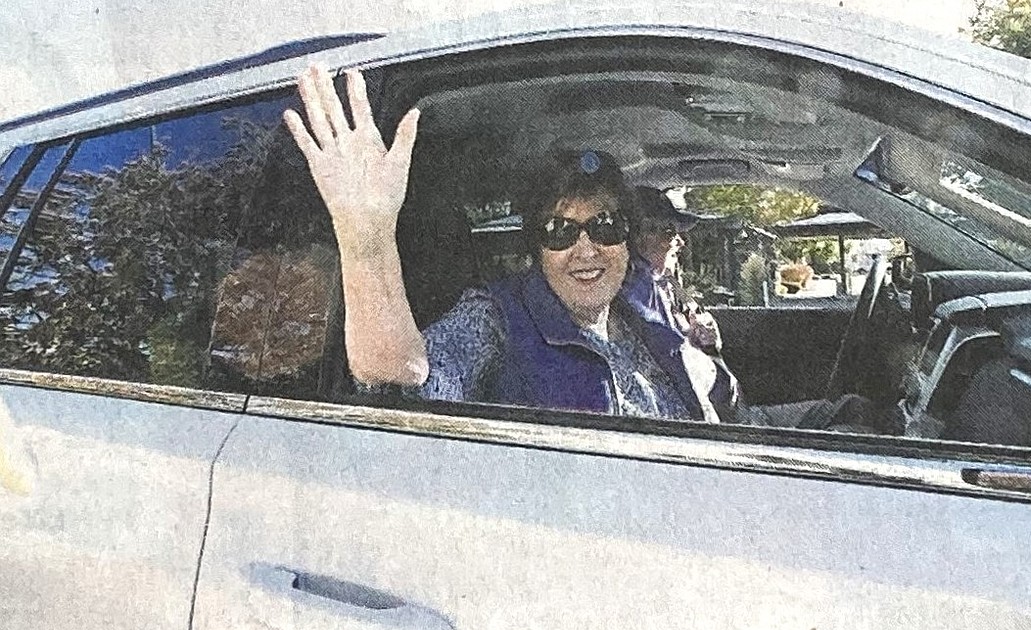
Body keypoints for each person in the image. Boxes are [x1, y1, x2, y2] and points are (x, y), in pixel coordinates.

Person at [283, 64, 732, 422]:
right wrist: (367, 235)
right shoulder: (495, 318)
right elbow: (398, 373)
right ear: (536, 246)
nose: (586, 248)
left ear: (625, 239)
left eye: (605, 226)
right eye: (560, 231)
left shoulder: (640, 301)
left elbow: (708, 384)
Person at [625, 187, 723, 353]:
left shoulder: (662, 284)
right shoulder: (637, 291)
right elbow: (667, 356)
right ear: (639, 237)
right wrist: (691, 340)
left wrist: (698, 337)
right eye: (669, 232)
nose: (681, 242)